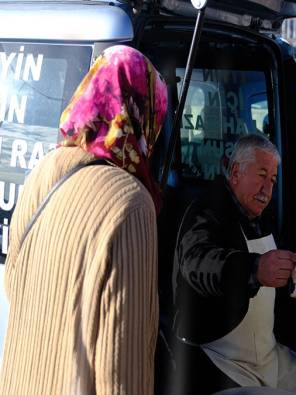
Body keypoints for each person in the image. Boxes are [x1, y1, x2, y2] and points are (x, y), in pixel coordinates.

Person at [0, 45, 167, 394]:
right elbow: (122, 365)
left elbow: (14, 286)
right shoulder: (132, 203)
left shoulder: (42, 172)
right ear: (144, 115)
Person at [172, 133, 296, 395]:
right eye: (261, 175)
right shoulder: (205, 212)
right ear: (236, 172)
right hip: (222, 362)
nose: (268, 190)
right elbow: (197, 263)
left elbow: (281, 299)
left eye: (272, 180)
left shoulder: (264, 220)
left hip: (271, 358)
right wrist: (254, 269)